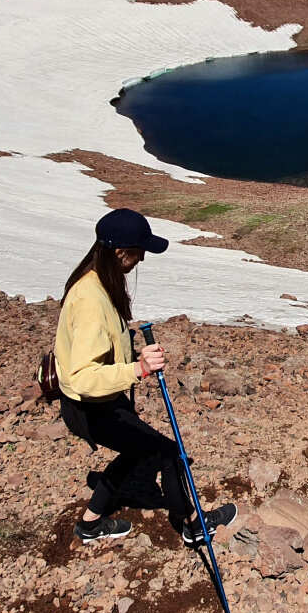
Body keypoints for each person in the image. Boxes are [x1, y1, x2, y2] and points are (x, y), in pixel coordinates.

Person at [56, 208, 238, 544]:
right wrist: (138, 369)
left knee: (139, 451)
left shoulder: (96, 283)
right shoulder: (90, 300)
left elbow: (101, 350)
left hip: (96, 402)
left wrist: (130, 357)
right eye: (139, 251)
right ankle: (193, 524)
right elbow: (83, 376)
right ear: (120, 251)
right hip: (90, 406)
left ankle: (91, 523)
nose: (141, 258)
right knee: (166, 453)